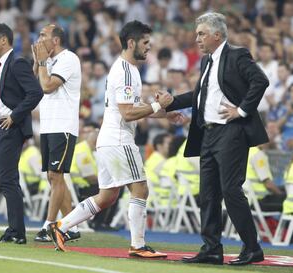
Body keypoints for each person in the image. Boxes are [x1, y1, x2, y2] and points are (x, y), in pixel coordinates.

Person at [47, 20, 179, 257]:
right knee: (140, 189)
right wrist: (158, 103)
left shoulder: (126, 69)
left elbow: (128, 107)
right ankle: (138, 245)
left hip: (108, 138)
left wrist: (162, 112)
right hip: (119, 139)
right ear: (131, 42)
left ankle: (61, 226)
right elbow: (128, 113)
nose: (149, 47)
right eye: (146, 42)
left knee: (107, 196)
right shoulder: (127, 71)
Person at [165, 12, 269, 265]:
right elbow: (199, 95)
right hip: (208, 134)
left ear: (217, 35)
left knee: (231, 190)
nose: (196, 38)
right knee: (208, 193)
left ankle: (253, 247)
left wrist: (241, 110)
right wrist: (170, 103)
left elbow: (260, 80)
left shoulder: (237, 54)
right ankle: (212, 248)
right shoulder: (207, 62)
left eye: (201, 33)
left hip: (231, 131)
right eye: (197, 33)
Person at [0, 23, 43, 244]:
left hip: (9, 126)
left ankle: (16, 232)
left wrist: (15, 116)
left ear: (3, 40)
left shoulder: (16, 63)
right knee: (6, 180)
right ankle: (15, 230)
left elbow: (35, 92)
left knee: (8, 181)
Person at [32, 24, 82, 242]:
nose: (39, 39)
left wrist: (43, 62)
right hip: (48, 124)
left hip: (63, 126)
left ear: (56, 40)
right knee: (53, 178)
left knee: (56, 175)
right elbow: (36, 80)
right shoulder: (49, 61)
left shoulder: (69, 59)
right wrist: (38, 61)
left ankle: (50, 225)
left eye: (43, 35)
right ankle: (70, 226)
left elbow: (48, 86)